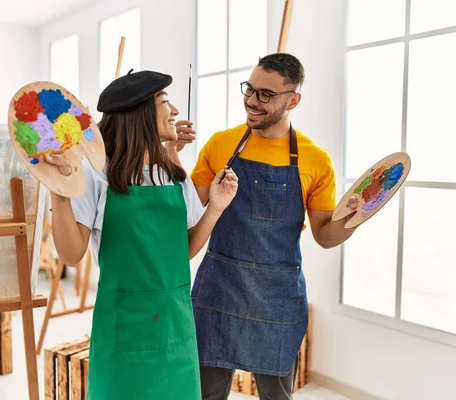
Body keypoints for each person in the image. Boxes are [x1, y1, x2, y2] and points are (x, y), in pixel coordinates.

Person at [166, 53, 358, 400]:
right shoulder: (221, 144)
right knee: (205, 395)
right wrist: (171, 153)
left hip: (277, 297)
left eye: (266, 95)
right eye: (250, 89)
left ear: (293, 100)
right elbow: (185, 214)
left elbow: (325, 236)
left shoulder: (316, 160)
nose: (252, 101)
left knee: (277, 397)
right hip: (219, 289)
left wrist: (355, 217)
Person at [45, 70, 239, 399]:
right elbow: (71, 254)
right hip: (123, 332)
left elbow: (185, 249)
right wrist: (59, 189)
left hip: (175, 328)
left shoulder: (174, 174)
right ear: (141, 113)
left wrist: (216, 208)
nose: (175, 111)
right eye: (165, 102)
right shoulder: (96, 173)